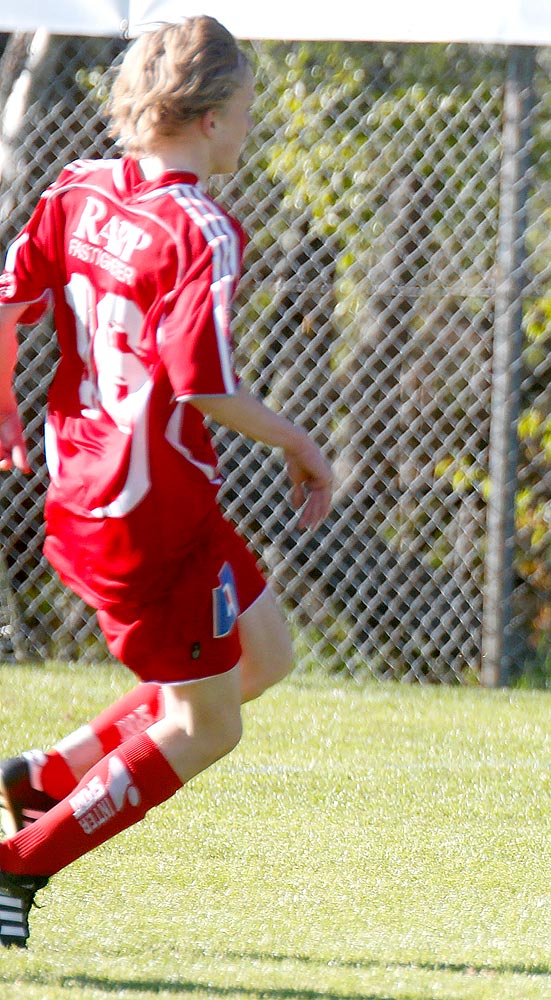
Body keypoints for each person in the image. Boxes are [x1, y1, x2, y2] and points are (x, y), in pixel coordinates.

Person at [0, 16, 334, 948]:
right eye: (247, 113)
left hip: (108, 489)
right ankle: (20, 863)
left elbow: (6, 300)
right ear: (215, 117)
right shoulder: (201, 227)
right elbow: (206, 384)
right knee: (208, 725)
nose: (249, 131)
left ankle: (48, 774)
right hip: (148, 514)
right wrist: (304, 445)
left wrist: (5, 407)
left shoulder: (76, 188)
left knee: (264, 655)